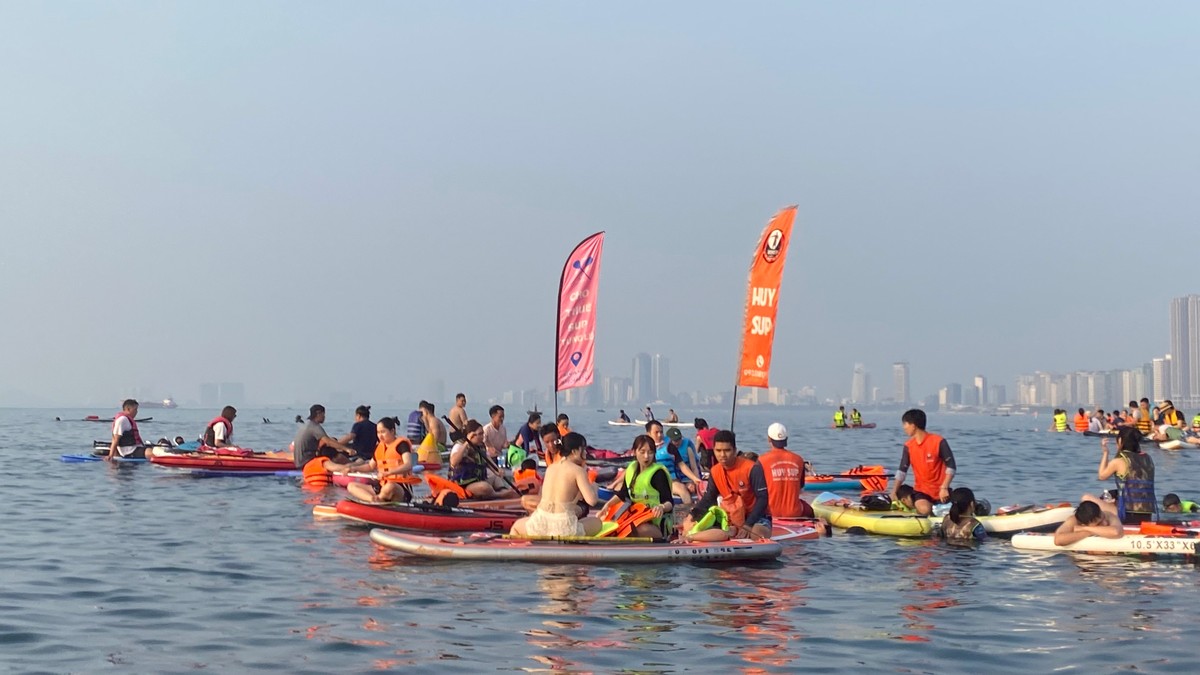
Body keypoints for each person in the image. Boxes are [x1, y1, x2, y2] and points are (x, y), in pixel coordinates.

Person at [510, 431, 603, 537]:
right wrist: (594, 487)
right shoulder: (578, 471)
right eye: (583, 449)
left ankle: (517, 550)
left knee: (516, 527)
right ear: (574, 451)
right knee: (597, 523)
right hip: (563, 527)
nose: (586, 453)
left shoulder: (551, 468)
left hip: (540, 522)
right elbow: (592, 501)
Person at [695, 430, 772, 539]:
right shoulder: (715, 471)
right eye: (718, 450)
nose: (722, 455)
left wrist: (748, 525)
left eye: (727, 450)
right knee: (709, 530)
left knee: (756, 535)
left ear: (735, 450)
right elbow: (709, 498)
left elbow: (763, 499)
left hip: (757, 517)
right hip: (731, 518)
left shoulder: (752, 468)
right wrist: (693, 515)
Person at [604, 434, 675, 539]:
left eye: (650, 452)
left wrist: (661, 507)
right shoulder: (631, 469)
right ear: (634, 452)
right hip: (636, 519)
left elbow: (669, 502)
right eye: (642, 452)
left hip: (656, 525)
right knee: (613, 524)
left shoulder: (658, 473)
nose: (646, 456)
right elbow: (623, 494)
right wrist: (607, 505)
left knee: (637, 529)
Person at [890, 409, 956, 516]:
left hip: (941, 491)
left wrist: (944, 487)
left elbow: (951, 467)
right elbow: (902, 471)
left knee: (951, 511)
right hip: (922, 492)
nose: (904, 427)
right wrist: (893, 492)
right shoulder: (908, 446)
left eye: (905, 424)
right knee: (925, 509)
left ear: (913, 425)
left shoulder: (938, 441)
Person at [347, 417, 419, 503]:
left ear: (392, 431)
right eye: (378, 432)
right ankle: (373, 499)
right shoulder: (379, 447)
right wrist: (354, 469)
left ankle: (379, 499)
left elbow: (408, 464)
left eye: (383, 432)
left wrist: (389, 472)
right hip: (382, 485)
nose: (380, 435)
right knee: (351, 486)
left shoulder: (402, 444)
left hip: (399, 486)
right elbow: (370, 466)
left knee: (389, 486)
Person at [1095, 427, 1155, 522]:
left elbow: (1101, 476)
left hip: (1127, 514)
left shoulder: (1120, 461)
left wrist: (1105, 453)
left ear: (1120, 440)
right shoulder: (1148, 459)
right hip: (1147, 515)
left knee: (1086, 497)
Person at [759, 423, 815, 519]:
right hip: (794, 512)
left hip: (770, 513)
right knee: (810, 511)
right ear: (786, 439)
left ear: (769, 439)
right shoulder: (799, 459)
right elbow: (801, 488)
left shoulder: (761, 460)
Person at [449, 419, 516, 499]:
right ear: (471, 435)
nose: (482, 437)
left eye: (483, 434)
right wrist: (467, 442)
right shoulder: (459, 446)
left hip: (477, 480)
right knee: (485, 487)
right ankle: (499, 495)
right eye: (480, 434)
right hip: (463, 484)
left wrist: (496, 469)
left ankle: (504, 491)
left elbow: (486, 458)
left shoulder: (480, 446)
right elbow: (453, 462)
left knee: (496, 478)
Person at [645, 421, 696, 506]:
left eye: (661, 432)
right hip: (649, 480)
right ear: (648, 433)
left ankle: (689, 513)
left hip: (670, 481)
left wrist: (694, 479)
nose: (659, 435)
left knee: (682, 489)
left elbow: (682, 465)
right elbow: (634, 466)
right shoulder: (643, 448)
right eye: (656, 432)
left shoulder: (669, 446)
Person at [292, 404, 356, 468]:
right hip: (306, 462)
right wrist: (347, 449)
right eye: (323, 414)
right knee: (330, 451)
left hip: (299, 462)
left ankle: (351, 464)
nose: (324, 417)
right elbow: (328, 442)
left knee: (328, 449)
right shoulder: (315, 427)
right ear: (318, 413)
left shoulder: (306, 425)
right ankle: (353, 466)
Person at [1053, 500, 1123, 546]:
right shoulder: (1074, 520)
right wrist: (1088, 532)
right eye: (1098, 523)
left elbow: (1116, 532)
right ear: (1083, 523)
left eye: (1103, 518)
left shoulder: (1108, 515)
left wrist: (1085, 529)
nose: (1105, 523)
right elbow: (1058, 540)